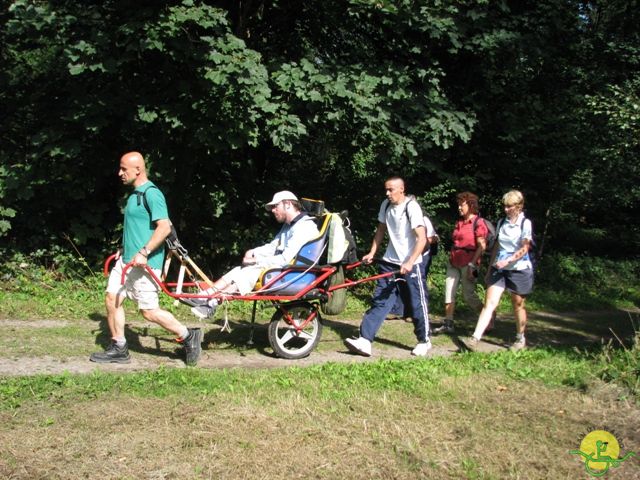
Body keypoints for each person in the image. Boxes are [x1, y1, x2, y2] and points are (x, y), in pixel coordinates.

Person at [90, 151, 202, 365]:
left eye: (124, 169)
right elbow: (137, 228)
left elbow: (164, 227)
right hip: (126, 261)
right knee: (112, 298)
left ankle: (188, 335)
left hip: (145, 263)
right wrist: (123, 251)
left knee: (149, 312)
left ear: (138, 169)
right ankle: (119, 346)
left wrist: (143, 252)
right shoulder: (133, 195)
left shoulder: (152, 194)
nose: (120, 173)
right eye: (120, 168)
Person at [190, 191, 319, 319]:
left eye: (275, 206)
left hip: (294, 273)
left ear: (288, 204)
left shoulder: (304, 227)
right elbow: (273, 246)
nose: (273, 210)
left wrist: (256, 260)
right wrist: (253, 252)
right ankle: (205, 295)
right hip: (285, 269)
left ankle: (213, 302)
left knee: (250, 271)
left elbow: (285, 259)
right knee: (239, 270)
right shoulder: (289, 225)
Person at [344, 177, 431, 357]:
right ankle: (365, 340)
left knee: (415, 304)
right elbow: (381, 230)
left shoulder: (411, 207)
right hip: (389, 262)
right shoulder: (385, 205)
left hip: (411, 264)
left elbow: (422, 239)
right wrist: (372, 252)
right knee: (380, 300)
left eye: (391, 190)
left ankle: (424, 340)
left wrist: (409, 261)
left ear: (401, 189)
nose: (387, 193)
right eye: (386, 190)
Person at [463, 190, 534, 352]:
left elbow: (525, 248)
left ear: (519, 206)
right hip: (499, 268)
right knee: (489, 303)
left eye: (510, 206)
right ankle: (475, 338)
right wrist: (490, 268)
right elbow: (497, 246)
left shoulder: (525, 223)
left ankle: (520, 338)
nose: (506, 209)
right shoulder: (502, 222)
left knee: (518, 305)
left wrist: (508, 260)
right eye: (505, 206)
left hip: (518, 269)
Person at [434, 192, 488, 335]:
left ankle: (487, 317)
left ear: (470, 205)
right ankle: (448, 323)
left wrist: (472, 265)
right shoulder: (459, 222)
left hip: (471, 264)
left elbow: (482, 247)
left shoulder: (478, 223)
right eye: (458, 204)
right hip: (454, 261)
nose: (458, 207)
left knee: (468, 295)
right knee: (448, 291)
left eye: (461, 204)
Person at [387, 206, 438, 322]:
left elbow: (430, 239)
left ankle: (416, 314)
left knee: (415, 285)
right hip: (405, 256)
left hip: (421, 256)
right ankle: (399, 311)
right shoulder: (400, 220)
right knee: (401, 281)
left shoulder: (423, 219)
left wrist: (418, 253)